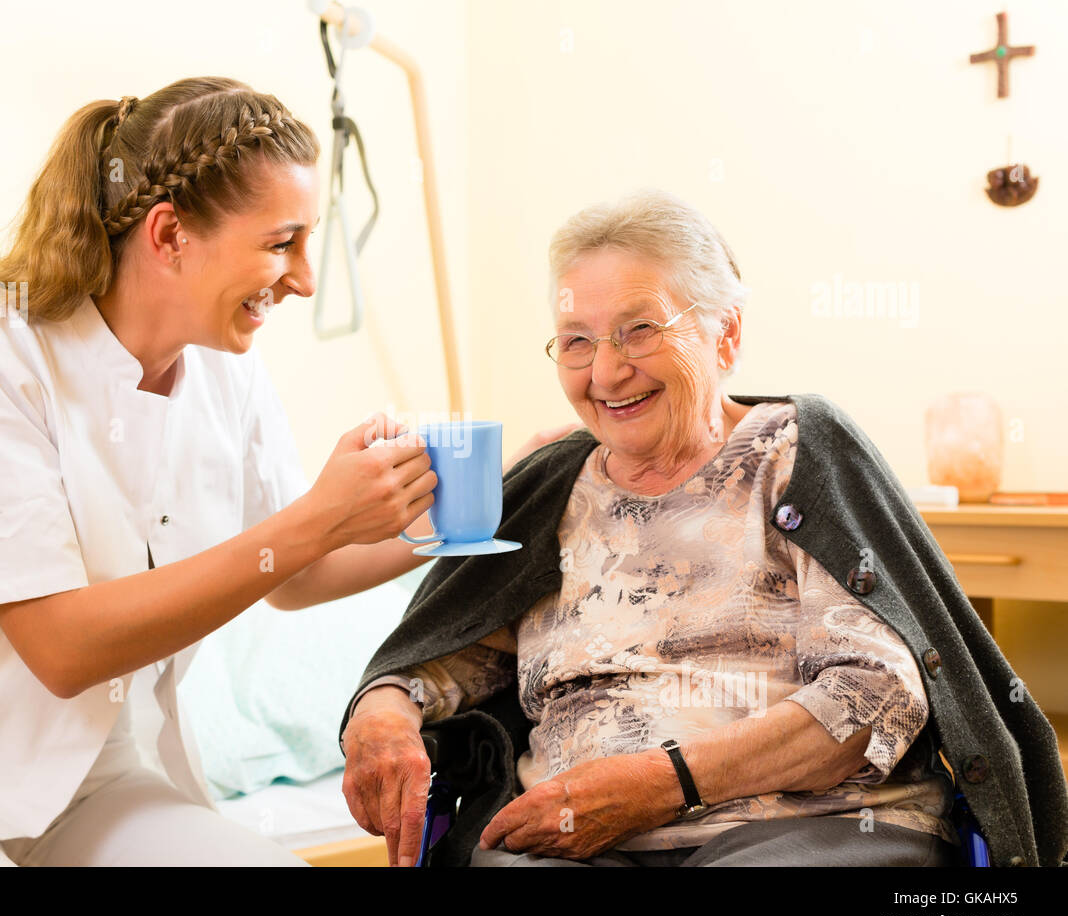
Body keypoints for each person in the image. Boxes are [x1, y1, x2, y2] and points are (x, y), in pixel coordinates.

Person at [0, 76, 566, 867]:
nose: (305, 277)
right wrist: (317, 517)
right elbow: (62, 649)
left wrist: (490, 498)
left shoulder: (227, 374)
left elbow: (294, 573)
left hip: (93, 783)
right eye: (281, 242)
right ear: (169, 235)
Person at [339, 189, 1068, 867]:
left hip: (805, 827)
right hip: (562, 837)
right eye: (577, 341)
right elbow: (451, 650)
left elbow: (873, 697)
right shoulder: (553, 483)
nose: (607, 371)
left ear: (727, 333)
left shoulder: (795, 453)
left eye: (640, 330)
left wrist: (658, 783)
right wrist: (384, 710)